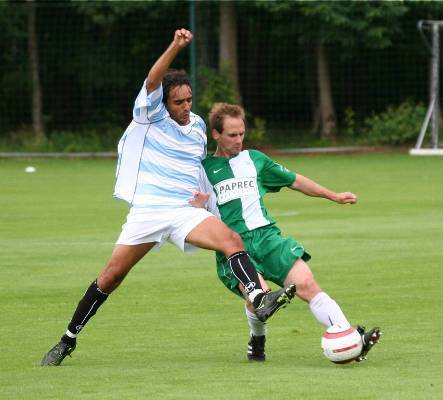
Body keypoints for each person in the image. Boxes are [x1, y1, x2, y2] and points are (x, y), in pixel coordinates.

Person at [40, 30, 295, 367]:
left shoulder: (199, 126)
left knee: (230, 239)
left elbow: (198, 166)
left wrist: (205, 200)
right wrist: (176, 46)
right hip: (147, 212)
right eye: (179, 102)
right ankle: (67, 339)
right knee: (110, 278)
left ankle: (259, 296)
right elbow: (152, 79)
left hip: (182, 211)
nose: (186, 107)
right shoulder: (150, 115)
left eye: (189, 99)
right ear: (163, 103)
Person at [195, 103, 381, 362]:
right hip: (233, 247)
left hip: (268, 238)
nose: (239, 140)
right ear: (216, 134)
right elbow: (189, 208)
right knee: (259, 301)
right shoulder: (202, 170)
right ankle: (257, 340)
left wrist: (333, 195)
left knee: (307, 284)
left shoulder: (255, 159)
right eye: (232, 135)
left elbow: (295, 180)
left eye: (242, 134)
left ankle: (349, 338)